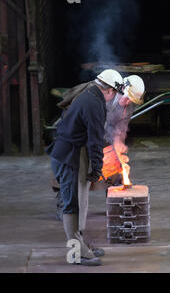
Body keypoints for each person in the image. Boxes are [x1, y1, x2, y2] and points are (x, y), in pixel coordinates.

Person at [46, 69, 123, 266]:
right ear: (110, 90)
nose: (114, 97)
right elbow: (94, 140)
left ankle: (82, 245)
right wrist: (97, 168)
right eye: (115, 93)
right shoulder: (94, 104)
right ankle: (76, 254)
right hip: (69, 155)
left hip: (70, 151)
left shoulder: (89, 90)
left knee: (79, 202)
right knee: (71, 204)